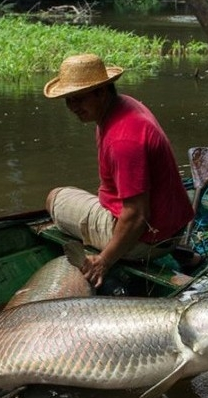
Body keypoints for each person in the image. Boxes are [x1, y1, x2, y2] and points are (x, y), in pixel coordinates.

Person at [43, 53, 198, 288]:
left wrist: (103, 261)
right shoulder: (126, 104)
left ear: (101, 92)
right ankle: (180, 253)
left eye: (79, 98)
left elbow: (136, 216)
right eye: (68, 99)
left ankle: (126, 251)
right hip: (172, 231)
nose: (73, 107)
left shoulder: (122, 141)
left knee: (55, 197)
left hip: (144, 242)